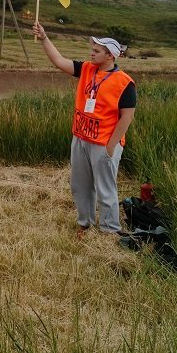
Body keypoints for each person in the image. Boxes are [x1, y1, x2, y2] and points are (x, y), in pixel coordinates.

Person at [32, 21, 136, 237]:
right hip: (80, 139)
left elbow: (127, 117)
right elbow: (59, 61)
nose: (92, 53)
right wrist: (44, 38)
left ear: (110, 56)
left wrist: (110, 146)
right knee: (80, 186)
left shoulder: (124, 82)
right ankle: (85, 224)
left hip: (104, 143)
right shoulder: (87, 69)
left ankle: (109, 231)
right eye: (92, 49)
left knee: (106, 190)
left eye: (97, 51)